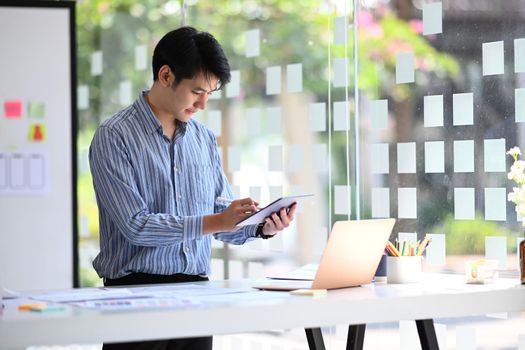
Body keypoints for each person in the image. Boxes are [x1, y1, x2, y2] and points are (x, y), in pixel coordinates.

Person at [89, 26, 297, 350]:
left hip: (198, 297)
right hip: (135, 298)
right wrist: (217, 221)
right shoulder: (114, 136)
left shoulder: (202, 139)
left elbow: (220, 220)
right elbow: (136, 225)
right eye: (197, 91)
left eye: (210, 94)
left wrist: (261, 226)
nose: (202, 104)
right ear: (166, 75)